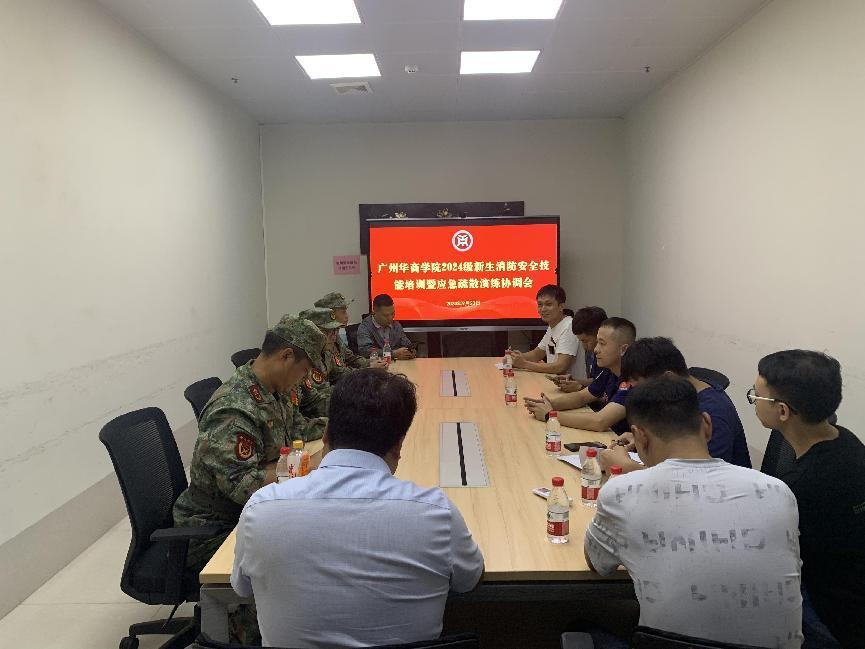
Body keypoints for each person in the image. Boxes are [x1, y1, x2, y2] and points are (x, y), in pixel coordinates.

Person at [231, 369, 484, 648]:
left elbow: (241, 588)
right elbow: (468, 580)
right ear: (399, 444)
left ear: (326, 434)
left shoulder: (261, 509)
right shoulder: (436, 513)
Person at [585, 376, 803, 648]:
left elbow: (597, 563)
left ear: (639, 436)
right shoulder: (778, 491)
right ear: (707, 425)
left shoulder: (622, 491)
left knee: (582, 627)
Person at [172, 316, 328, 574]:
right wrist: (303, 469)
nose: (304, 380)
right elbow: (243, 486)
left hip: (253, 511)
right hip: (213, 530)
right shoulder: (233, 409)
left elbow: (296, 429)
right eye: (304, 371)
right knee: (305, 558)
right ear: (286, 356)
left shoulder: (274, 391)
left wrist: (340, 427)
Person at [750, 350, 865, 648]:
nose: (754, 401)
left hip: (831, 612)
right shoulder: (846, 439)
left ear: (783, 411)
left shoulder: (799, 486)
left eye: (757, 396)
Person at [599, 337, 751, 473]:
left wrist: (628, 468)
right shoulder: (677, 398)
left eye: (643, 389)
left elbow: (700, 479)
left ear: (669, 378)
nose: (641, 396)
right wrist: (644, 439)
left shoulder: (713, 414)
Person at [524, 317, 636, 434]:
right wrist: (547, 404)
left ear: (623, 349)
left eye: (602, 344)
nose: (596, 349)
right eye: (597, 343)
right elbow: (581, 397)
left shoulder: (633, 379)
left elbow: (599, 421)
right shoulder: (609, 371)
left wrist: (549, 415)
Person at [508, 285, 586, 379]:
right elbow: (537, 354)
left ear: (561, 306)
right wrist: (514, 357)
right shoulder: (553, 325)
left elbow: (560, 367)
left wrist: (524, 364)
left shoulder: (569, 326)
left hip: (569, 385)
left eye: (548, 304)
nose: (543, 309)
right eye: (540, 305)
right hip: (554, 381)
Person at [314, 291, 381, 375]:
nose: (347, 316)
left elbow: (350, 358)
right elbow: (338, 373)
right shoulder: (322, 339)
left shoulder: (334, 334)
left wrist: (370, 363)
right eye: (343, 312)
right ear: (331, 314)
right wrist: (368, 369)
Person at [550, 306, 608, 392]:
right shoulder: (597, 354)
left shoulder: (613, 359)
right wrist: (574, 381)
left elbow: (608, 394)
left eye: (585, 341)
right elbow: (597, 381)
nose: (584, 347)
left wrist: (580, 388)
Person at [356, 293, 417, 360]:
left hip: (397, 364)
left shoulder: (396, 325)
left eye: (393, 314)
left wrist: (410, 351)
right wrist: (393, 354)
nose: (390, 318)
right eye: (386, 315)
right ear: (374, 311)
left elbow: (406, 343)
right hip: (376, 365)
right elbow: (365, 351)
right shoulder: (365, 327)